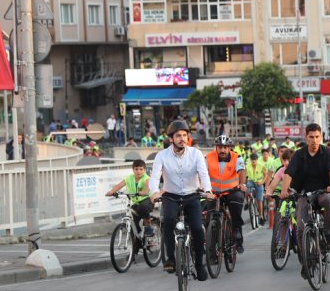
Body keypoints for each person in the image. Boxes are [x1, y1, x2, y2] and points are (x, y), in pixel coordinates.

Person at [148, 120, 214, 280]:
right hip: (171, 196)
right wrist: (154, 192)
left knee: (198, 229)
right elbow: (155, 176)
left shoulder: (196, 153)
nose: (182, 138)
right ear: (171, 138)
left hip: (192, 196)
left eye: (185, 135)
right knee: (169, 221)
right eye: (178, 136)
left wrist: (208, 190)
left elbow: (203, 173)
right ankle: (170, 258)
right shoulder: (162, 156)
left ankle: (199, 264)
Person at [280, 123, 330, 279]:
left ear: (322, 137)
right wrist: (285, 190)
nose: (314, 140)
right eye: (311, 137)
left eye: (317, 137)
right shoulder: (299, 154)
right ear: (306, 137)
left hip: (323, 191)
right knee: (300, 228)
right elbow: (288, 174)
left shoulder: (327, 152)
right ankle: (306, 261)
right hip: (304, 194)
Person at [205, 135, 247, 254]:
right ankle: (211, 248)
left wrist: (242, 184)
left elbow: (241, 172)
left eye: (225, 147)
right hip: (213, 193)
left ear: (229, 148)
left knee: (236, 202)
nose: (222, 150)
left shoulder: (237, 157)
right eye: (220, 147)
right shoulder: (208, 157)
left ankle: (237, 231)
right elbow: (201, 172)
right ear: (216, 148)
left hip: (232, 191)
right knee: (209, 217)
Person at [105, 159, 156, 246]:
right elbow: (119, 185)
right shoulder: (129, 178)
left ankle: (149, 227)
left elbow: (147, 189)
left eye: (141, 169)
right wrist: (111, 192)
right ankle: (136, 247)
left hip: (147, 200)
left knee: (143, 207)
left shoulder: (146, 178)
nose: (138, 171)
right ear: (133, 169)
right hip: (136, 202)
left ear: (144, 170)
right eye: (136, 169)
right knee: (134, 225)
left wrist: (143, 192)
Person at [245, 153, 268, 226]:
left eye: (255, 160)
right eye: (252, 160)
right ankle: (247, 202)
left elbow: (266, 176)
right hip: (251, 181)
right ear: (250, 160)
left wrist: (261, 182)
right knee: (246, 188)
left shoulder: (261, 166)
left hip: (259, 182)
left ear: (257, 160)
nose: (254, 162)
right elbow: (245, 176)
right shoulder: (247, 166)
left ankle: (261, 216)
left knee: (259, 200)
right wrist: (244, 183)